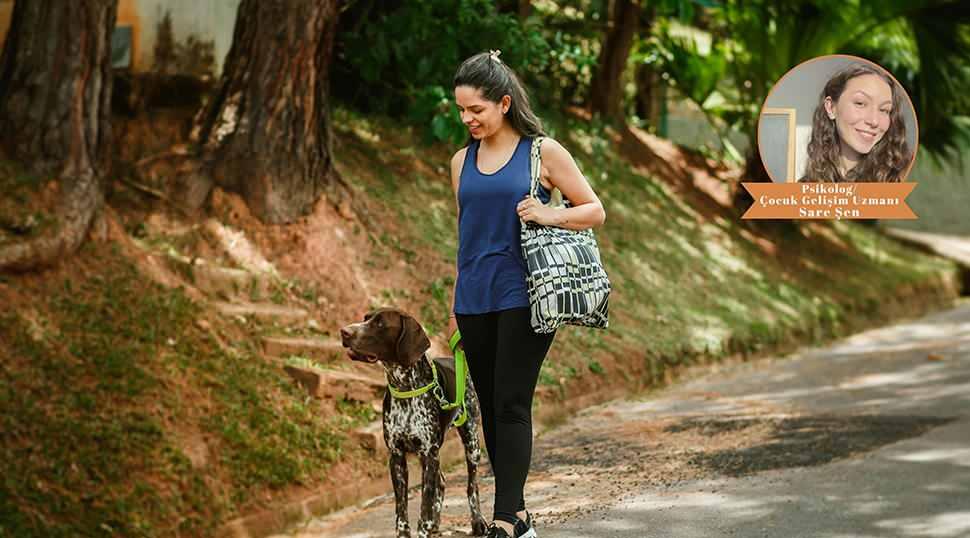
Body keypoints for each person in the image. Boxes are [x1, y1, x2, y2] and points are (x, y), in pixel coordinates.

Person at [447, 50, 606, 538]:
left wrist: (547, 213)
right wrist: (454, 304)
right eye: (460, 110)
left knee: (512, 401)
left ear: (505, 103)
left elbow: (593, 210)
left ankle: (506, 520)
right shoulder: (460, 161)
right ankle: (517, 516)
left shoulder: (543, 152)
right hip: (474, 297)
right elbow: (467, 234)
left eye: (476, 109)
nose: (467, 119)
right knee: (491, 408)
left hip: (526, 293)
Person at [801, 63, 912, 182]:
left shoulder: (903, 177)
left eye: (884, 110)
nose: (874, 121)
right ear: (831, 107)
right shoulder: (806, 185)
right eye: (860, 103)